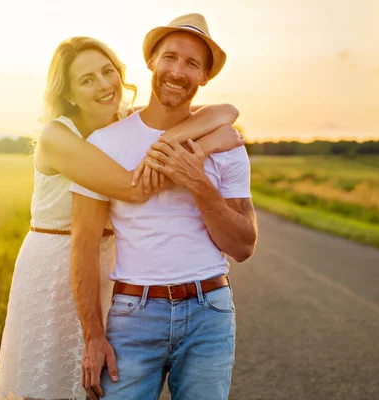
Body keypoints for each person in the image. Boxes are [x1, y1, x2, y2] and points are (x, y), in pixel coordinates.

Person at [0, 35, 244, 400]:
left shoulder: (125, 123)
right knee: (51, 379)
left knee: (96, 382)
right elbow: (134, 187)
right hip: (55, 262)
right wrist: (200, 149)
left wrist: (194, 141)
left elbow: (226, 113)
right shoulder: (57, 135)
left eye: (107, 71)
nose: (104, 84)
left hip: (110, 262)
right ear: (68, 93)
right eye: (87, 79)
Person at [70, 13, 258, 400]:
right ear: (152, 61)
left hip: (210, 312)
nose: (178, 71)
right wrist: (93, 336)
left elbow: (242, 246)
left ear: (205, 77)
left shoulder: (225, 145)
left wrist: (198, 183)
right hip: (132, 316)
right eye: (170, 57)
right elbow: (83, 246)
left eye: (192, 63)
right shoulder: (106, 144)